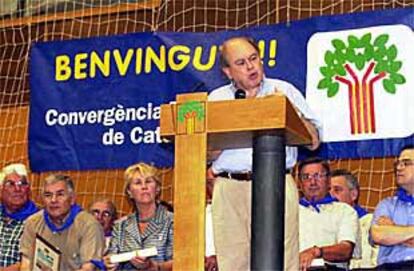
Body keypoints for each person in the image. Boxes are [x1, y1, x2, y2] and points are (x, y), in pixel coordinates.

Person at [207, 36, 321, 271]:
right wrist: (233, 120)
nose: (251, 67)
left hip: (276, 183)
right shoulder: (217, 99)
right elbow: (206, 153)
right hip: (230, 187)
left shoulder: (284, 90)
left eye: (253, 58)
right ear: (227, 72)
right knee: (233, 262)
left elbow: (314, 141)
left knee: (281, 259)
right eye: (241, 63)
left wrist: (289, 111)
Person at [20, 174, 105, 270]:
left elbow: (88, 268)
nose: (53, 200)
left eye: (60, 194)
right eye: (48, 195)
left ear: (72, 199)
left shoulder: (88, 225)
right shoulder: (32, 223)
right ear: (42, 199)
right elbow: (26, 264)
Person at [104, 162, 173, 271]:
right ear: (129, 192)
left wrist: (154, 267)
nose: (144, 187)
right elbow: (112, 257)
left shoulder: (173, 221)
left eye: (148, 181)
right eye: (138, 183)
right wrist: (109, 263)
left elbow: (181, 261)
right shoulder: (120, 226)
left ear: (158, 188)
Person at [298, 157, 359, 271]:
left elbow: (345, 250)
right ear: (300, 184)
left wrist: (316, 252)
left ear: (328, 180)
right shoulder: (290, 212)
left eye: (318, 176)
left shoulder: (344, 211)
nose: (312, 182)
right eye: (306, 177)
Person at [370, 145, 414, 270]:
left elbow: (387, 234)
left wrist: (394, 230)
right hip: (390, 267)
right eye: (398, 163)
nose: (399, 168)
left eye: (406, 163)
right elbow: (378, 235)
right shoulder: (386, 205)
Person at [330, 169, 378, 269]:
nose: (331, 195)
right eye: (328, 191)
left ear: (353, 195)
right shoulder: (324, 224)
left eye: (337, 190)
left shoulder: (371, 223)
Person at [0, 163, 38, 271]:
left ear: (29, 189)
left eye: (23, 183)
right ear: (1, 189)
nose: (18, 188)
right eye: (11, 184)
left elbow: (35, 262)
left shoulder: (39, 221)